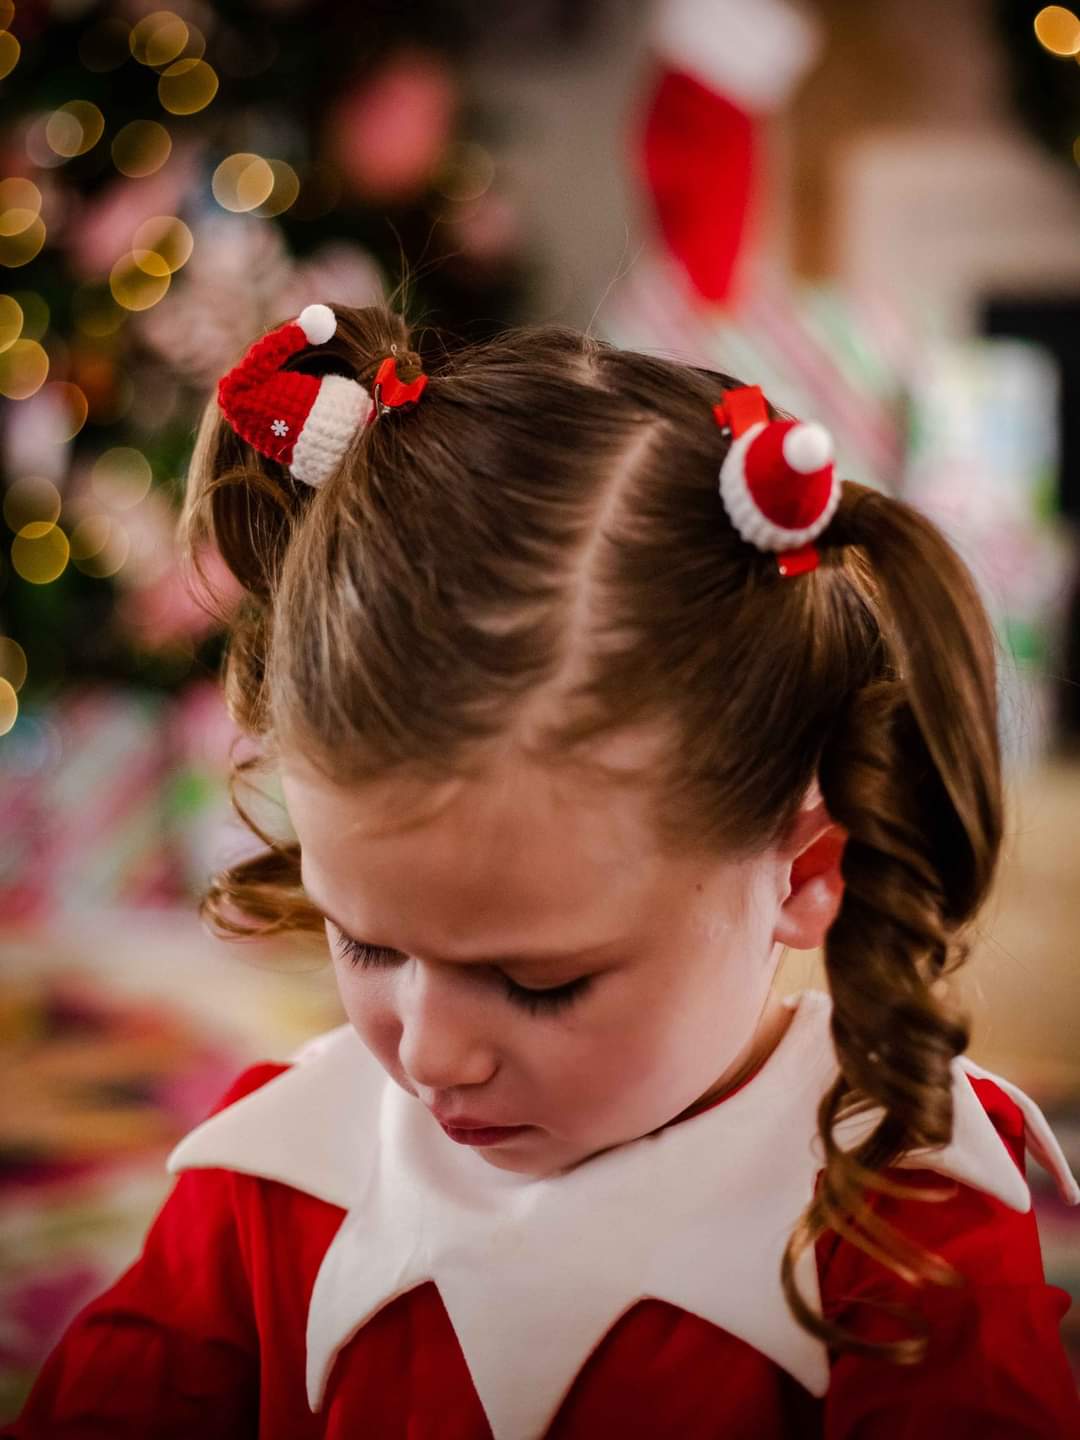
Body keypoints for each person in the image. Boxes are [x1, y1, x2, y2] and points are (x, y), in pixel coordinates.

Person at [6, 301, 1080, 1440]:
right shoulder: (276, 1181)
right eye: (368, 942)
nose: (429, 1054)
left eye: (537, 981)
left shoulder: (904, 1240)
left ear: (808, 867)